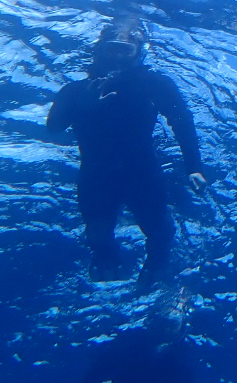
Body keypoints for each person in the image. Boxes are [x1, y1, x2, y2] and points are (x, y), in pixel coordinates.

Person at [48, 17, 206, 286]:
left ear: (138, 53)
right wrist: (85, 104)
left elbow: (182, 123)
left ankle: (153, 275)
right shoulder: (76, 91)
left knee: (161, 233)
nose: (118, 57)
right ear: (100, 51)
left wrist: (194, 166)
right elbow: (54, 128)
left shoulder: (155, 84)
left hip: (142, 173)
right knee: (99, 239)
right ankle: (109, 267)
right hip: (97, 177)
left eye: (126, 50)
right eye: (112, 49)